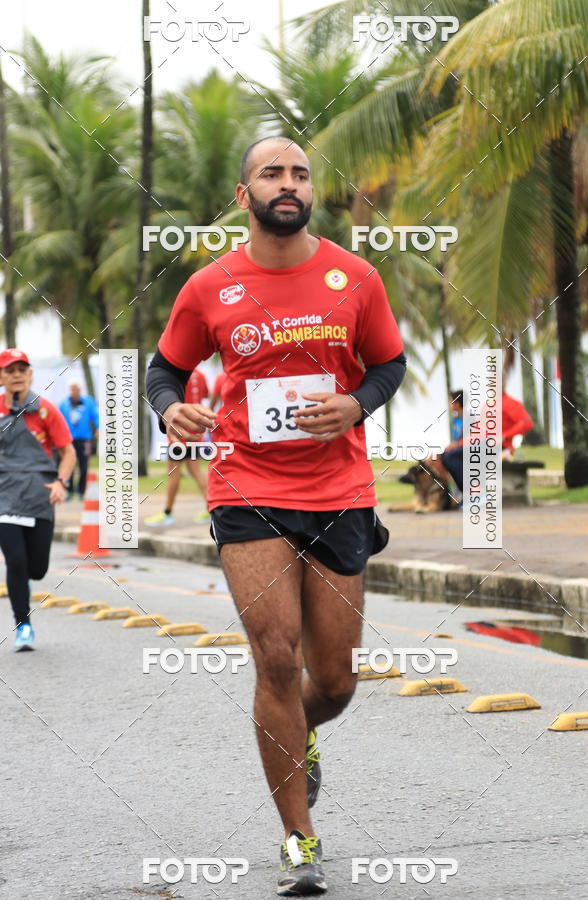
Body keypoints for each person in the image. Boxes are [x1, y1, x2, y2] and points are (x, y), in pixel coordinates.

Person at [146, 136, 407, 897]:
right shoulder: (211, 285)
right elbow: (166, 368)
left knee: (333, 680)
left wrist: (357, 402)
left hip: (338, 490)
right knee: (277, 658)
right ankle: (299, 839)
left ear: (309, 190)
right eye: (272, 173)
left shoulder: (354, 277)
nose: (287, 184)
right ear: (244, 194)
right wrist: (173, 410)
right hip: (246, 485)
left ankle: (303, 736)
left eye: (298, 173)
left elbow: (389, 362)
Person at [0, 349, 75, 650]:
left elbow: (67, 451)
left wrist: (61, 482)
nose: (16, 375)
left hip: (39, 494)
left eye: (22, 369)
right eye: (9, 370)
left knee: (37, 569)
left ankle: (24, 582)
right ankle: (23, 625)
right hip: (4, 495)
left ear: (31, 374)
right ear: (1, 377)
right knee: (16, 562)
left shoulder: (46, 411)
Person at [144, 364, 210, 526]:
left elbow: (169, 397)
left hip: (180, 433)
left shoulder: (179, 375)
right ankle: (211, 508)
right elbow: (206, 393)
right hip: (195, 432)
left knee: (174, 474)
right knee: (196, 472)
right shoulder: (201, 375)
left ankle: (167, 512)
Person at [441, 389, 533, 494]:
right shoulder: (486, 407)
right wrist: (457, 444)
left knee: (452, 457)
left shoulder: (510, 403)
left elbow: (527, 423)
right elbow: (477, 433)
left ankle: (473, 492)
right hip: (483, 444)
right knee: (447, 456)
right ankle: (469, 492)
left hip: (499, 448)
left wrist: (505, 435)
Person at [58, 380, 99, 499]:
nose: (74, 391)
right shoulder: (64, 404)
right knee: (69, 464)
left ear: (80, 390)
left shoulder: (88, 402)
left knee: (84, 465)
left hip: (85, 439)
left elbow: (96, 416)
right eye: (72, 389)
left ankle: (81, 491)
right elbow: (58, 422)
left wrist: (99, 428)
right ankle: (69, 491)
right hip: (69, 439)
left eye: (76, 389)